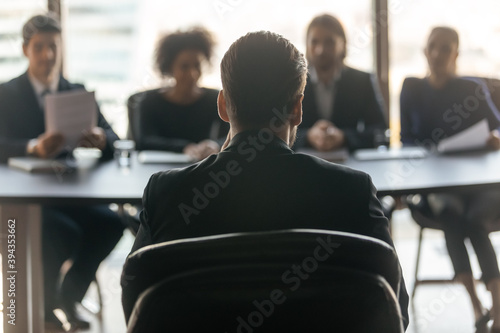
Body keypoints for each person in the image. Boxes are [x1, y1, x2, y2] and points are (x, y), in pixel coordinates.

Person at [130, 30, 409, 329]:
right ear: (298, 109)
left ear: (223, 105)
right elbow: (395, 312)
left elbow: (137, 309)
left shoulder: (167, 194)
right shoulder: (352, 191)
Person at [0, 14, 125, 330]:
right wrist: (32, 147)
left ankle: (67, 297)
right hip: (27, 198)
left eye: (53, 47)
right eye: (40, 47)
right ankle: (43, 309)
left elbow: (115, 139)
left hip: (69, 191)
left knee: (112, 224)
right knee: (62, 232)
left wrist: (99, 139)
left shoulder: (77, 92)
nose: (48, 55)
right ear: (26, 49)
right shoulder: (5, 94)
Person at [400, 26, 500, 331]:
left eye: (446, 48)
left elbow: (496, 127)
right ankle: (480, 302)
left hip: (478, 186)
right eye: (434, 46)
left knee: (468, 217)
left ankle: (491, 304)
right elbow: (406, 141)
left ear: (456, 54)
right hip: (438, 186)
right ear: (424, 50)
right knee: (452, 213)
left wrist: (494, 137)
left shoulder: (471, 90)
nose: (439, 54)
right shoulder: (412, 88)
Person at [133, 27, 228, 161]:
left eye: (197, 66)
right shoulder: (148, 101)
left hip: (201, 168)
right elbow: (143, 141)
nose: (192, 74)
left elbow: (233, 134)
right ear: (170, 67)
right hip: (157, 171)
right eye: (184, 66)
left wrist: (214, 145)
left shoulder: (215, 98)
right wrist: (184, 147)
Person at [297, 14, 388, 152]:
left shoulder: (362, 81)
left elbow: (380, 131)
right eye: (314, 42)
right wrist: (308, 136)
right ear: (307, 45)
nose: (320, 50)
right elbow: (277, 133)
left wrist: (344, 137)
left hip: (351, 166)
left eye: (329, 42)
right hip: (304, 166)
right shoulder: (294, 82)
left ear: (343, 44)